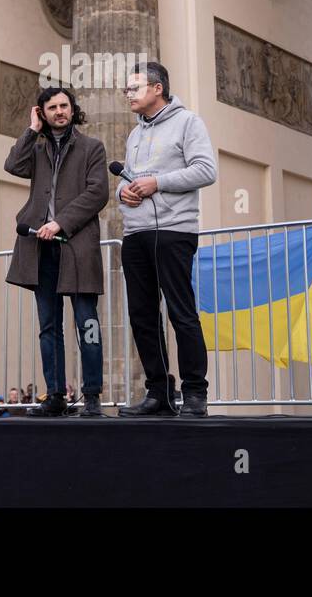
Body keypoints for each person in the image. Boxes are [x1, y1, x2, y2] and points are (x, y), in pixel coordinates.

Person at [116, 63, 217, 417]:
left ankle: (194, 393)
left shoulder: (188, 122)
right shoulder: (134, 135)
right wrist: (122, 193)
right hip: (135, 234)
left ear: (157, 88)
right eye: (126, 89)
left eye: (134, 88)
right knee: (142, 316)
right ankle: (159, 392)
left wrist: (157, 182)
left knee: (181, 312)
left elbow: (207, 169)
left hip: (174, 231)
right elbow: (128, 177)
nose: (128, 94)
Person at [5, 86, 110, 417]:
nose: (59, 111)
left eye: (64, 105)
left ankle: (92, 396)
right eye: (51, 107)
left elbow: (98, 193)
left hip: (76, 247)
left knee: (87, 323)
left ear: (72, 108)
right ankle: (55, 396)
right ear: (42, 112)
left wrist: (61, 223)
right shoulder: (35, 150)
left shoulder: (92, 147)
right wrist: (30, 130)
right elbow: (12, 165)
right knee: (49, 327)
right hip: (39, 248)